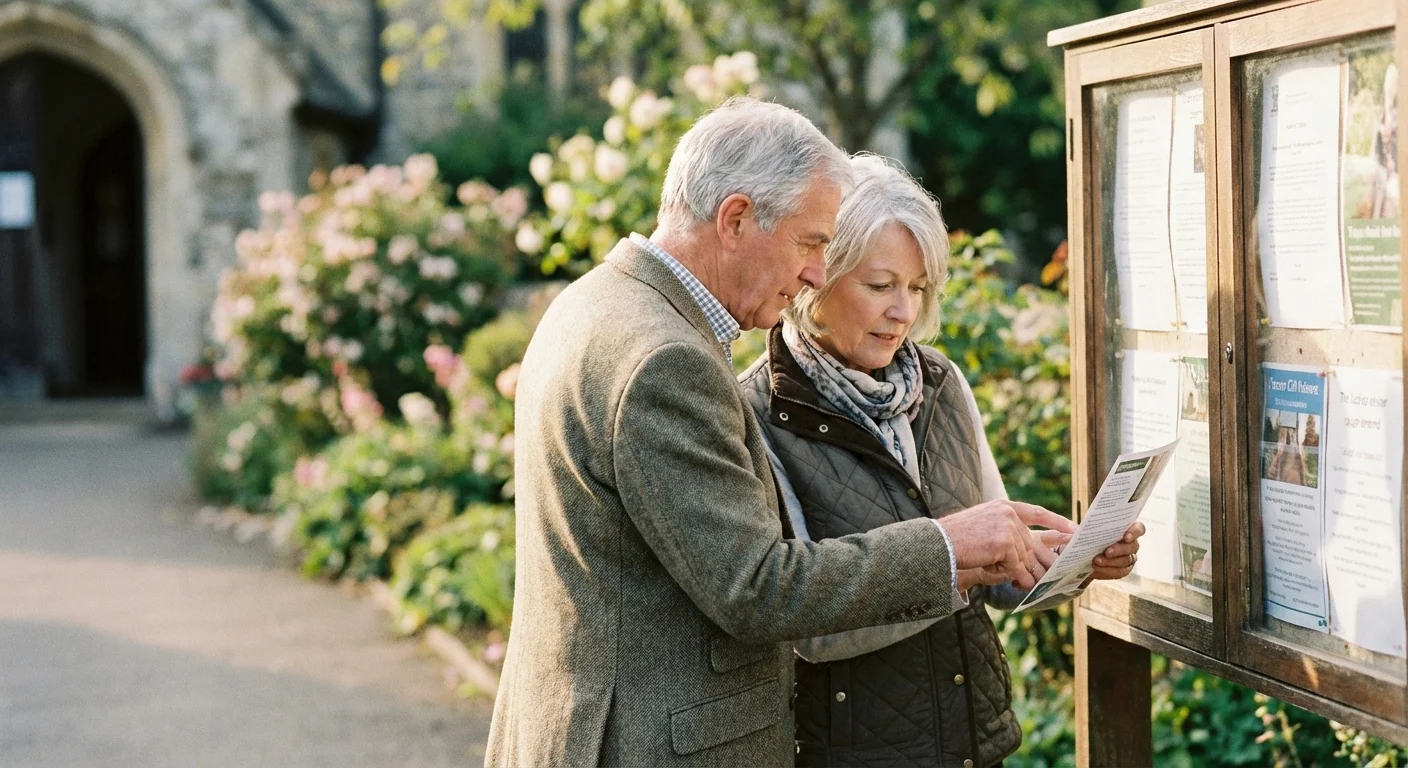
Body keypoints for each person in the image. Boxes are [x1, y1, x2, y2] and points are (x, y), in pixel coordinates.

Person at [486, 99, 1077, 767]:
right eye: (812, 242)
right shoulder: (666, 360)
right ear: (735, 219)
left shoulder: (595, 302)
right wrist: (946, 546)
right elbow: (757, 588)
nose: (816, 273)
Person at [738, 154, 1145, 767]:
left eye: (917, 287)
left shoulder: (940, 382)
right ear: (817, 276)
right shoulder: (759, 410)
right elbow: (804, 630)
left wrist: (1077, 560)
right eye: (880, 286)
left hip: (974, 747)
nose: (903, 311)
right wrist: (955, 562)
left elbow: (1004, 573)